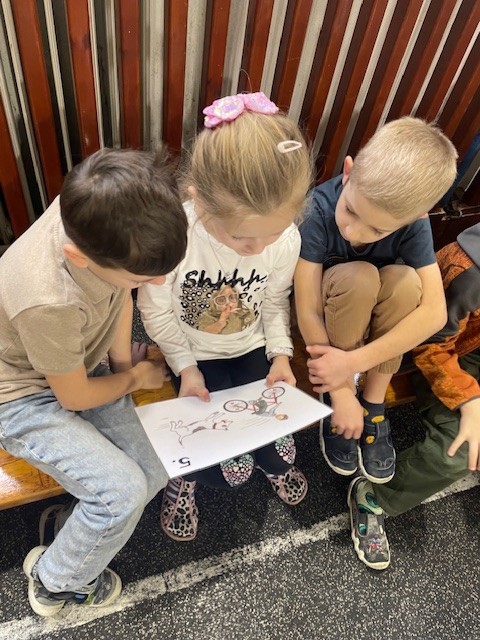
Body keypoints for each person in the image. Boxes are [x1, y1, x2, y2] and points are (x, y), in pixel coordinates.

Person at [0, 148, 188, 616]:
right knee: (121, 495)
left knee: (154, 473)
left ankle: (79, 529)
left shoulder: (97, 211)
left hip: (76, 360)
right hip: (20, 396)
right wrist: (135, 378)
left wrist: (124, 368)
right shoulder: (49, 300)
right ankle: (55, 583)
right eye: (145, 276)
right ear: (77, 257)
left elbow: (118, 295)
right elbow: (74, 396)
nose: (159, 283)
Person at [137, 91, 314, 541]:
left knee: (277, 451)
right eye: (242, 237)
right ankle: (186, 478)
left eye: (273, 233)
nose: (257, 249)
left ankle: (266, 466)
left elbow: (274, 299)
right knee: (219, 467)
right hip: (194, 352)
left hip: (251, 345)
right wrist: (186, 368)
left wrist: (280, 355)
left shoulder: (284, 238)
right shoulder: (176, 236)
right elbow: (156, 312)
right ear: (199, 202)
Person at [294, 116, 458, 569]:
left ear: (417, 216)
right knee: (360, 274)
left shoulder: (413, 221)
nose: (354, 232)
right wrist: (339, 389)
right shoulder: (319, 208)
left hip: (359, 346)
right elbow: (306, 309)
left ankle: (374, 402)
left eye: (377, 230)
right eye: (351, 212)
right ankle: (345, 401)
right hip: (333, 316)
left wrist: (355, 366)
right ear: (348, 171)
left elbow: (435, 313)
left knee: (408, 283)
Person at [355, 222, 480, 567]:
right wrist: (469, 400)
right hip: (450, 358)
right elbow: (430, 346)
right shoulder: (468, 270)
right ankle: (375, 495)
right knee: (459, 452)